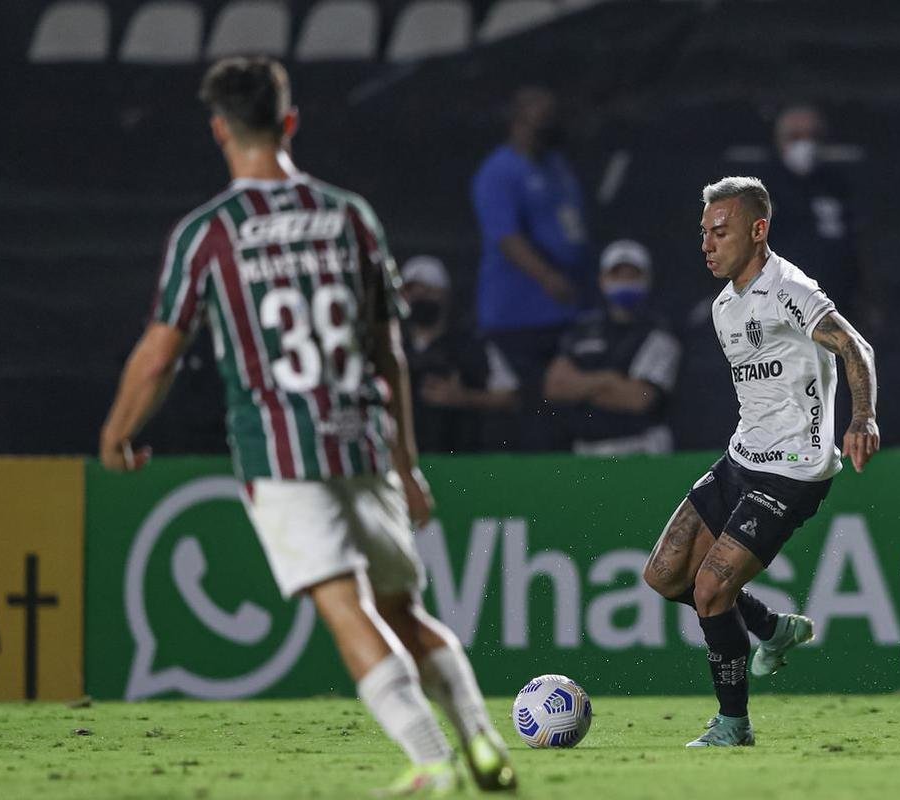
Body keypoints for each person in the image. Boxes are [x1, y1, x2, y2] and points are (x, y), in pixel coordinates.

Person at [98, 57, 516, 795]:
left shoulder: (210, 234)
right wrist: (407, 460)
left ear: (220, 130)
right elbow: (390, 349)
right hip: (362, 441)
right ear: (290, 122)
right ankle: (483, 744)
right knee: (405, 612)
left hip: (280, 450)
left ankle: (431, 761)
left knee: (347, 611)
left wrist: (120, 431)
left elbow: (162, 350)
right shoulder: (349, 215)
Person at [641, 176, 879, 747]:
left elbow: (855, 347)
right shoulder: (724, 305)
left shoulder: (789, 288)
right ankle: (772, 629)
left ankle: (733, 725)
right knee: (664, 576)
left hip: (795, 469)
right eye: (703, 233)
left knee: (711, 591)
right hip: (742, 457)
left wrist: (861, 417)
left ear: (758, 229)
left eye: (719, 232)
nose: (707, 244)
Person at [471, 86, 590, 450]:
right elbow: (506, 237)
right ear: (519, 120)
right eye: (542, 117)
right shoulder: (499, 171)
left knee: (567, 406)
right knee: (532, 409)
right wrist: (549, 278)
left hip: (565, 310)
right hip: (519, 314)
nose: (550, 124)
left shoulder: (556, 165)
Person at [544, 239, 681, 455]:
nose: (624, 281)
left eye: (632, 275)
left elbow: (639, 399)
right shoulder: (583, 328)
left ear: (647, 279)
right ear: (602, 279)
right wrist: (608, 380)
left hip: (640, 447)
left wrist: (581, 387)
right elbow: (555, 386)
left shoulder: (659, 333)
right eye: (617, 274)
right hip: (586, 449)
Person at [400, 255, 519, 454]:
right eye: (411, 291)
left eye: (428, 291)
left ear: (445, 294)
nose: (419, 298)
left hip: (460, 458)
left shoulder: (474, 347)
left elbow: (513, 398)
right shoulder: (390, 348)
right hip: (404, 459)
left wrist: (464, 398)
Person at [758, 105, 863, 321]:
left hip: (835, 302)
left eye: (813, 136)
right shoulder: (761, 188)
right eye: (795, 137)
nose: (805, 144)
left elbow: (856, 243)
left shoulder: (836, 185)